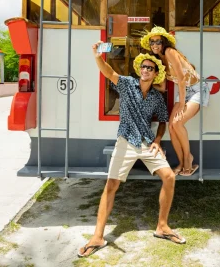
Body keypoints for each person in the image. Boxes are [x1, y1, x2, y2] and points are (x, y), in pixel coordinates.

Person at [78, 42, 186, 259]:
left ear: (156, 74)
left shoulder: (157, 97)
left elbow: (164, 120)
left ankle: (162, 227)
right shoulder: (127, 84)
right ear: (139, 69)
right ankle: (98, 237)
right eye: (143, 67)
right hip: (126, 140)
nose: (146, 70)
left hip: (146, 142)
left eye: (150, 68)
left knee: (169, 177)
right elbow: (108, 72)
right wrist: (97, 55)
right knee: (111, 185)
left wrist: (157, 140)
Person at [140, 27, 210, 177]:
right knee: (172, 127)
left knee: (177, 123)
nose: (154, 44)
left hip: (196, 89)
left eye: (158, 41)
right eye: (152, 42)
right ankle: (181, 161)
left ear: (163, 42)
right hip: (184, 90)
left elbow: (182, 76)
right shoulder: (160, 61)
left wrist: (182, 102)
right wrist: (145, 83)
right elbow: (164, 87)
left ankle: (187, 159)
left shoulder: (169, 52)